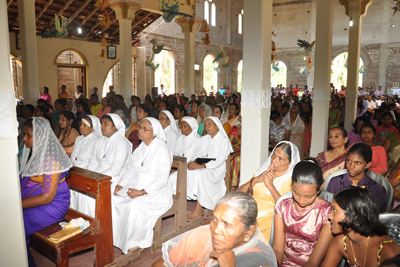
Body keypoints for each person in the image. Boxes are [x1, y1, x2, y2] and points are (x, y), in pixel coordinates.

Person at [153, 192, 278, 267]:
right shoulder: (201, 236)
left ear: (249, 232)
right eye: (214, 219)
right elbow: (159, 265)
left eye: (227, 224)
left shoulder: (258, 260)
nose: (216, 230)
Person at [113, 118, 173, 253]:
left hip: (156, 190)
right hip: (136, 183)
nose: (140, 130)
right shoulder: (140, 148)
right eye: (140, 127)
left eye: (144, 129)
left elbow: (162, 179)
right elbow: (130, 169)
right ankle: (119, 239)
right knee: (115, 199)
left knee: (134, 205)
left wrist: (141, 192)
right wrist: (120, 184)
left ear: (154, 132)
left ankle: (136, 241)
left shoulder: (162, 149)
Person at [20, 117, 72, 267]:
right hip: (41, 196)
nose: (24, 138)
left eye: (28, 135)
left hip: (53, 204)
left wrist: (18, 205)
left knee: (17, 221)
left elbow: (47, 197)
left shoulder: (52, 159)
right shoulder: (35, 152)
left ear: (41, 136)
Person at [273, 159, 333, 267]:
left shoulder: (327, 212)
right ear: (292, 183)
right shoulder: (283, 206)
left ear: (320, 188)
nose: (301, 201)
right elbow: (277, 249)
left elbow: (314, 261)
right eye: (296, 193)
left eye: (309, 196)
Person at [320, 187, 400, 267]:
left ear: (354, 215)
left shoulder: (387, 251)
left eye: (334, 210)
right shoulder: (342, 241)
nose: (330, 216)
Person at [239, 141, 301, 242]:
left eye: (280, 158)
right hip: (248, 212)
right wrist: (256, 180)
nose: (274, 160)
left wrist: (270, 185)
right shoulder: (263, 172)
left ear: (291, 163)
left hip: (269, 221)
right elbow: (240, 191)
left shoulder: (292, 182)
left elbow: (286, 208)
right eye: (274, 156)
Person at [183, 116, 233, 221]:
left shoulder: (223, 140)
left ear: (217, 126)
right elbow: (195, 154)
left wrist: (202, 166)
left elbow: (219, 160)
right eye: (206, 125)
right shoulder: (204, 139)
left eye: (210, 124)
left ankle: (198, 209)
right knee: (186, 172)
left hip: (216, 169)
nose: (207, 126)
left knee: (200, 174)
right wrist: (192, 163)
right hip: (202, 165)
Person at [83, 114, 132, 217]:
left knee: (92, 196)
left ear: (115, 127)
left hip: (113, 178)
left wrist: (96, 179)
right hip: (97, 175)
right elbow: (93, 162)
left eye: (106, 124)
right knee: (83, 192)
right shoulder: (99, 141)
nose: (102, 127)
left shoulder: (121, 143)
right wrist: (89, 176)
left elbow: (115, 170)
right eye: (101, 124)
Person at [326, 143, 387, 213]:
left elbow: (377, 218)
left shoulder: (376, 189)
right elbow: (328, 209)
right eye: (349, 161)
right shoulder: (335, 182)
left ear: (367, 165)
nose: (351, 166)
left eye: (357, 163)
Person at [69, 115, 102, 210]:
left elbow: (93, 163)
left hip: (85, 173)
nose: (81, 127)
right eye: (81, 124)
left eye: (85, 125)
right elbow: (73, 157)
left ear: (93, 128)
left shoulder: (96, 141)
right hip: (73, 171)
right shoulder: (79, 139)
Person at [229, 115, 242, 190]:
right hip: (233, 150)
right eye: (239, 116)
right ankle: (228, 184)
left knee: (237, 158)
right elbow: (229, 142)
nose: (240, 118)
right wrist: (230, 153)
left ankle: (233, 186)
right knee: (229, 159)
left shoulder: (248, 129)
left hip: (242, 151)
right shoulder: (235, 128)